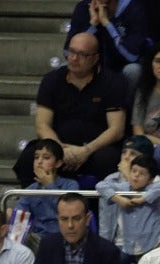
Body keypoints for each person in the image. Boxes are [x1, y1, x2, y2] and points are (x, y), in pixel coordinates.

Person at [31, 31, 126, 182]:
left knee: (107, 159)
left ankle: (102, 205)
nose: (74, 58)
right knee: (31, 155)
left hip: (96, 148)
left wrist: (85, 151)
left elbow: (116, 130)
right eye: (72, 52)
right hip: (61, 146)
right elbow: (42, 124)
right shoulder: (52, 80)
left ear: (95, 58)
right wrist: (60, 150)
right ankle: (32, 203)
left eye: (82, 54)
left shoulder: (112, 82)